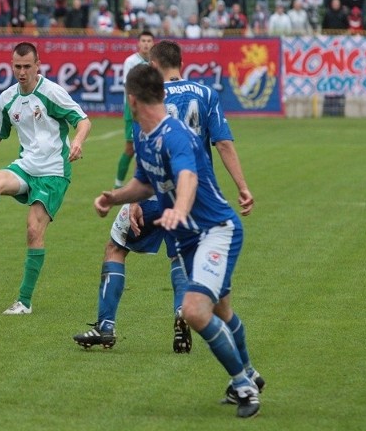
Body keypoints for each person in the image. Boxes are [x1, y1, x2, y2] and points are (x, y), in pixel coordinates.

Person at [88, 61, 262, 419]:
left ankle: (243, 385)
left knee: (194, 310)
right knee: (222, 311)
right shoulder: (142, 134)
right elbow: (145, 183)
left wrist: (180, 209)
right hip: (188, 239)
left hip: (214, 231)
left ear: (132, 99)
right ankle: (251, 374)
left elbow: (188, 177)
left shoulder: (175, 133)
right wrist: (114, 197)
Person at [74, 40, 254, 356]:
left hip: (153, 189)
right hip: (192, 195)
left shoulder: (150, 97)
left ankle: (106, 326)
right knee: (180, 256)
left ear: (153, 67)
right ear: (180, 63)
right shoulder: (207, 94)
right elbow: (223, 144)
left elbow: (142, 150)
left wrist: (128, 201)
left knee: (116, 247)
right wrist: (242, 186)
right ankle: (181, 314)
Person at [0, 42, 91, 315]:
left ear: (38, 65)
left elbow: (83, 120)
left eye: (27, 66)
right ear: (11, 65)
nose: (22, 72)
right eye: (17, 66)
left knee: (32, 230)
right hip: (26, 165)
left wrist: (78, 141)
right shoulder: (7, 98)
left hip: (53, 172)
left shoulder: (52, 93)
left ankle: (24, 302)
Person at [114, 30, 155, 189]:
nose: (146, 44)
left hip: (151, 109)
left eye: (149, 41)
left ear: (153, 43)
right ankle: (118, 185)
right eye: (143, 40)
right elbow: (129, 86)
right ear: (138, 43)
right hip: (134, 109)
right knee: (130, 148)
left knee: (149, 147)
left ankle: (144, 186)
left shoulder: (155, 62)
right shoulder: (131, 61)